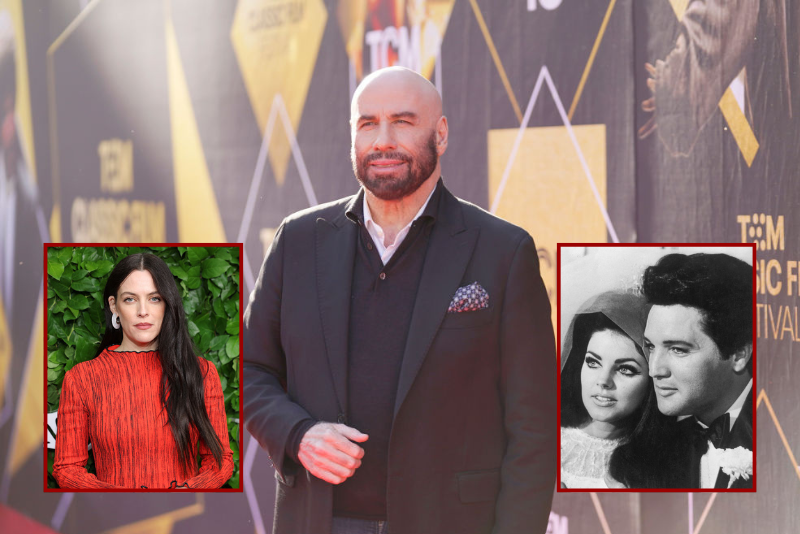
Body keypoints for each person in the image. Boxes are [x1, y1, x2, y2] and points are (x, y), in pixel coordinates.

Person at [243, 66, 556, 534]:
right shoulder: (298, 240)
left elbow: (534, 429)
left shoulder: (503, 251)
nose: (382, 141)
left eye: (403, 121)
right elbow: (249, 369)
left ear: (441, 133)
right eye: (367, 123)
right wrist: (298, 434)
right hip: (319, 521)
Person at [53, 253, 234, 489]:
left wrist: (184, 494)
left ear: (167, 304)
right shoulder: (82, 378)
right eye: (130, 299)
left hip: (182, 520)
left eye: (154, 298)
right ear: (113, 306)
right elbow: (67, 469)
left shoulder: (201, 372)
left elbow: (219, 462)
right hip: (112, 521)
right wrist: (125, 501)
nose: (143, 311)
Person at [642, 253, 753, 489]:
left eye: (678, 350)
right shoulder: (656, 452)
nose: (654, 370)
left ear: (739, 355)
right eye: (650, 346)